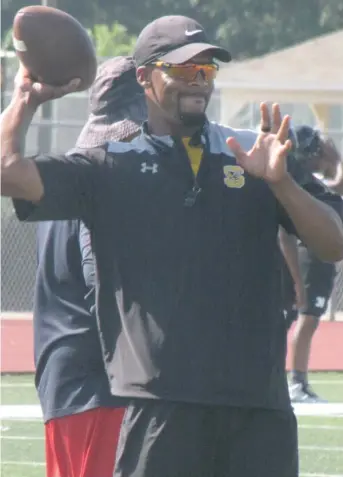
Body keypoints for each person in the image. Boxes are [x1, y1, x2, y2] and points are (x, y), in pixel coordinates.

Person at [2, 15, 343, 477]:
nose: (197, 82)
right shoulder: (110, 165)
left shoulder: (254, 152)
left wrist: (282, 185)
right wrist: (26, 99)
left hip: (258, 411)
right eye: (181, 69)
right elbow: (9, 171)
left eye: (205, 70)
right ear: (144, 76)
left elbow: (334, 244)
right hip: (160, 411)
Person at [34, 56, 147, 477]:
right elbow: (101, 284)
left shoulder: (62, 180)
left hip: (64, 384)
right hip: (101, 385)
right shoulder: (108, 181)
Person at [280, 125, 343, 403]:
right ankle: (297, 382)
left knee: (306, 320)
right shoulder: (299, 181)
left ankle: (296, 381)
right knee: (306, 320)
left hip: (314, 257)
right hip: (310, 258)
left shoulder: (305, 180)